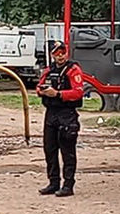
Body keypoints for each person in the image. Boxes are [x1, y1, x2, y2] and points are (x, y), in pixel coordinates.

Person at [36, 40, 84, 197]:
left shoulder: (73, 70)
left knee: (67, 151)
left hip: (67, 114)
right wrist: (43, 91)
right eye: (57, 53)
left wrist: (58, 94)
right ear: (52, 55)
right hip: (51, 113)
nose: (61, 56)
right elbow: (38, 86)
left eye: (63, 52)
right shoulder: (48, 71)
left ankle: (68, 185)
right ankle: (53, 182)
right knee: (49, 150)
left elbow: (78, 92)